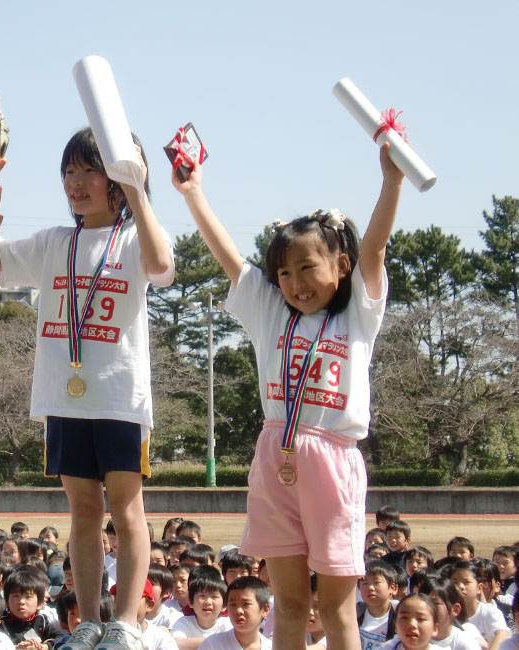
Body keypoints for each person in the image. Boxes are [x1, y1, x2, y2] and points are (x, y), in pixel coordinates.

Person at [174, 128, 405, 650]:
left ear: (339, 267)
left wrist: (390, 181)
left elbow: (375, 247)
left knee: (336, 606)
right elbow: (230, 257)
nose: (295, 282)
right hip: (275, 455)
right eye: (284, 271)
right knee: (291, 606)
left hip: (333, 459)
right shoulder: (271, 311)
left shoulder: (358, 317)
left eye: (307, 267)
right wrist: (193, 194)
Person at [0, 126, 174, 650]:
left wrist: (138, 189)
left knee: (127, 511)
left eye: (91, 170)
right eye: (69, 171)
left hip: (120, 398)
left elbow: (161, 266)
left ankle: (126, 622)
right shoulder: (53, 242)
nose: (77, 182)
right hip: (64, 398)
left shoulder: (134, 239)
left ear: (120, 176)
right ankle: (89, 620)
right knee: (84, 510)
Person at [198, 577, 271, 650]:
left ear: (265, 609)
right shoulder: (212, 645)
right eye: (233, 604)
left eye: (246, 604)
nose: (238, 611)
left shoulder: (273, 647)